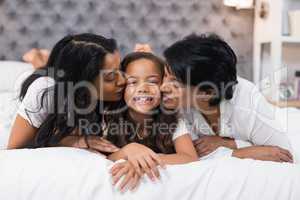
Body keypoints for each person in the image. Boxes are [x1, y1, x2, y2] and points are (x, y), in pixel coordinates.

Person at [161, 33, 294, 163]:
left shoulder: (247, 103)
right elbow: (196, 156)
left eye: (175, 83)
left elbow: (285, 155)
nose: (163, 87)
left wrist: (230, 145)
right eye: (164, 76)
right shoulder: (178, 105)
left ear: (207, 93)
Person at [7, 33, 126, 154]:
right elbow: (14, 149)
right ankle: (36, 58)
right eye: (111, 76)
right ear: (84, 79)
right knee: (42, 71)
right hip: (48, 84)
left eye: (120, 69)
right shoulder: (45, 91)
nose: (123, 81)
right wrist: (67, 141)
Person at [106, 52, 198, 191]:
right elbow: (102, 157)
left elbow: (189, 157)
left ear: (163, 86)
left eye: (153, 81)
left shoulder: (173, 120)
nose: (143, 88)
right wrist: (128, 151)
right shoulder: (108, 119)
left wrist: (144, 162)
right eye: (132, 82)